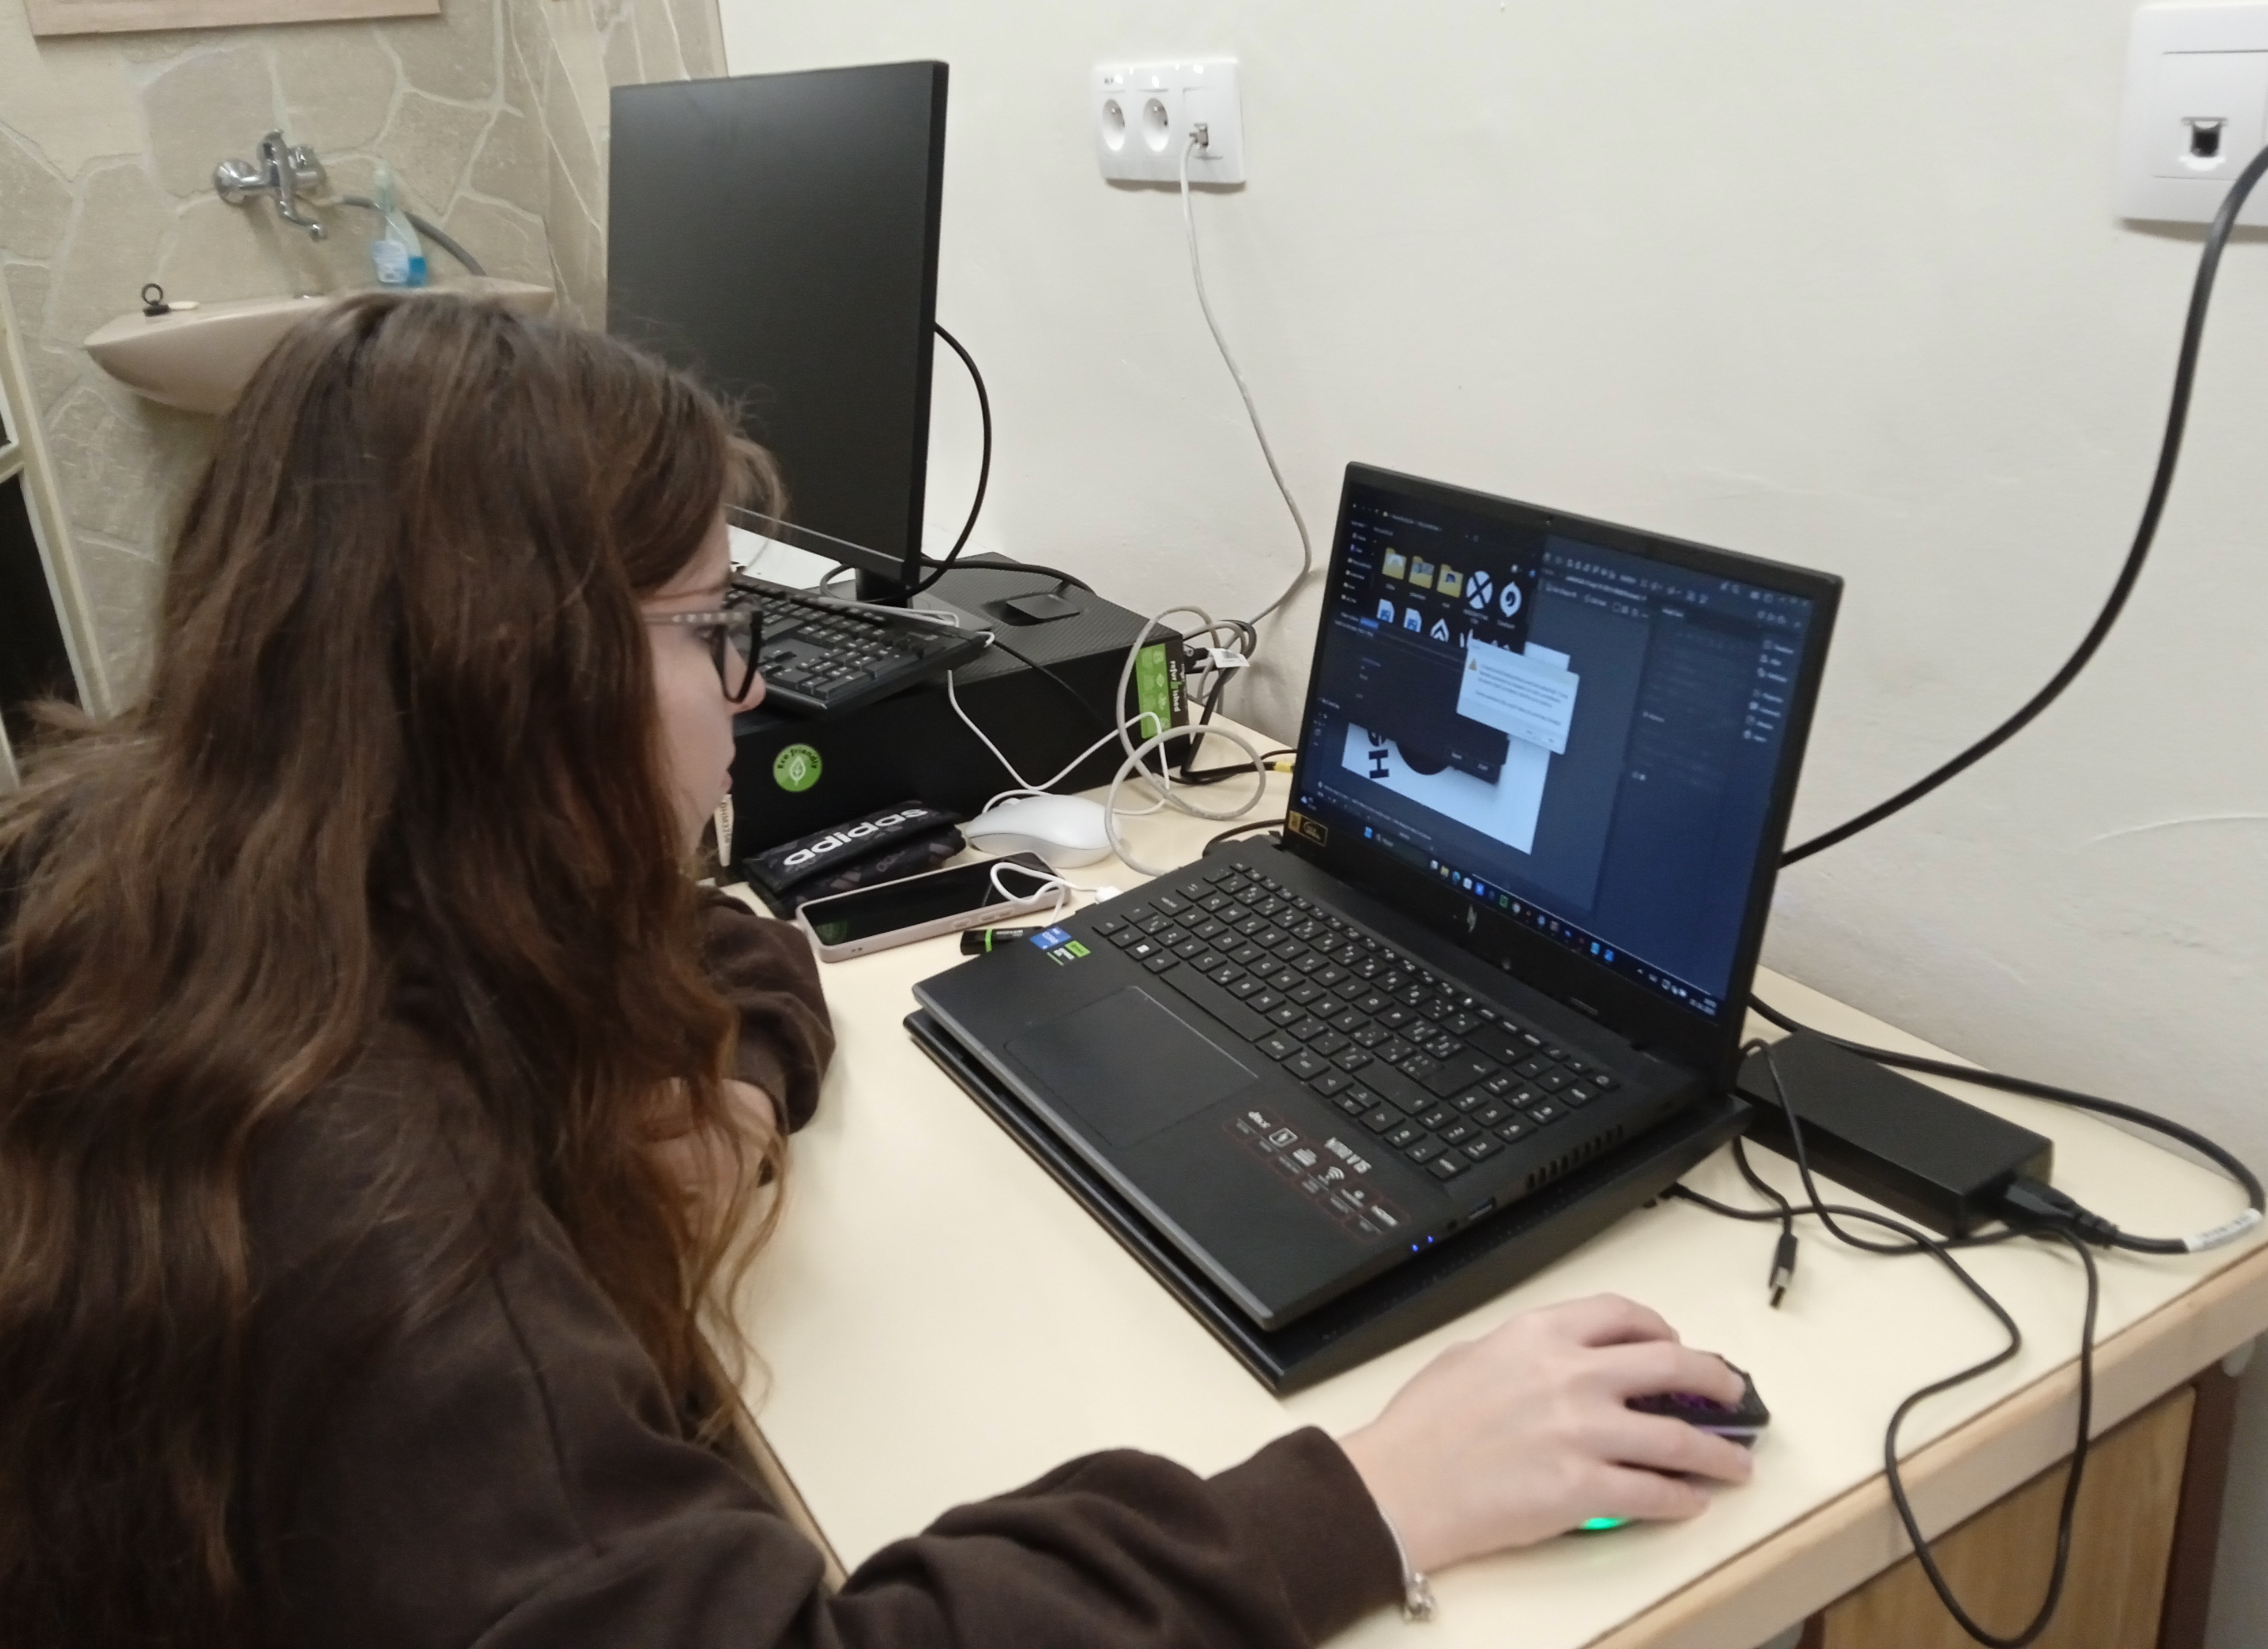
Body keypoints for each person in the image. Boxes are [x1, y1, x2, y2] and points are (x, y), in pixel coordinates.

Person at [0, 295, 1753, 1649]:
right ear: (513, 678)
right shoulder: (384, 1208)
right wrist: (1370, 1498)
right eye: (713, 631)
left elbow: (734, 944)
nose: (752, 692)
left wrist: (733, 1086)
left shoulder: (210, 864)